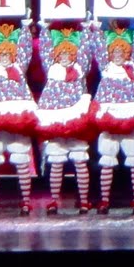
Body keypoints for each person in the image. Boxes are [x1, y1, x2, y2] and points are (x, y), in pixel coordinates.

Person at [88, 15, 134, 214]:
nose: (117, 54)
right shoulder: (106, 67)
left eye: (121, 51)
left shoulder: (133, 67)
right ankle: (104, 200)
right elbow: (99, 48)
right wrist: (96, 29)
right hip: (109, 117)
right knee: (107, 159)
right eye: (114, 51)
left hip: (129, 117)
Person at [35, 17, 98, 214]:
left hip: (76, 117)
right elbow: (45, 49)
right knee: (56, 161)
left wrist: (86, 31)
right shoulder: (52, 69)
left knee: (80, 160)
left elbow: (86, 52)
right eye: (61, 54)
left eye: (68, 53)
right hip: (55, 119)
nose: (65, 57)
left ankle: (84, 200)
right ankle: (54, 200)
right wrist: (44, 30)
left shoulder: (80, 68)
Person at [0, 18, 38, 214]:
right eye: (1, 54)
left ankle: (26, 200)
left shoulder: (19, 68)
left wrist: (25, 28)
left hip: (18, 118)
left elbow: (26, 49)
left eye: (8, 54)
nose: (4, 57)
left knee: (22, 160)